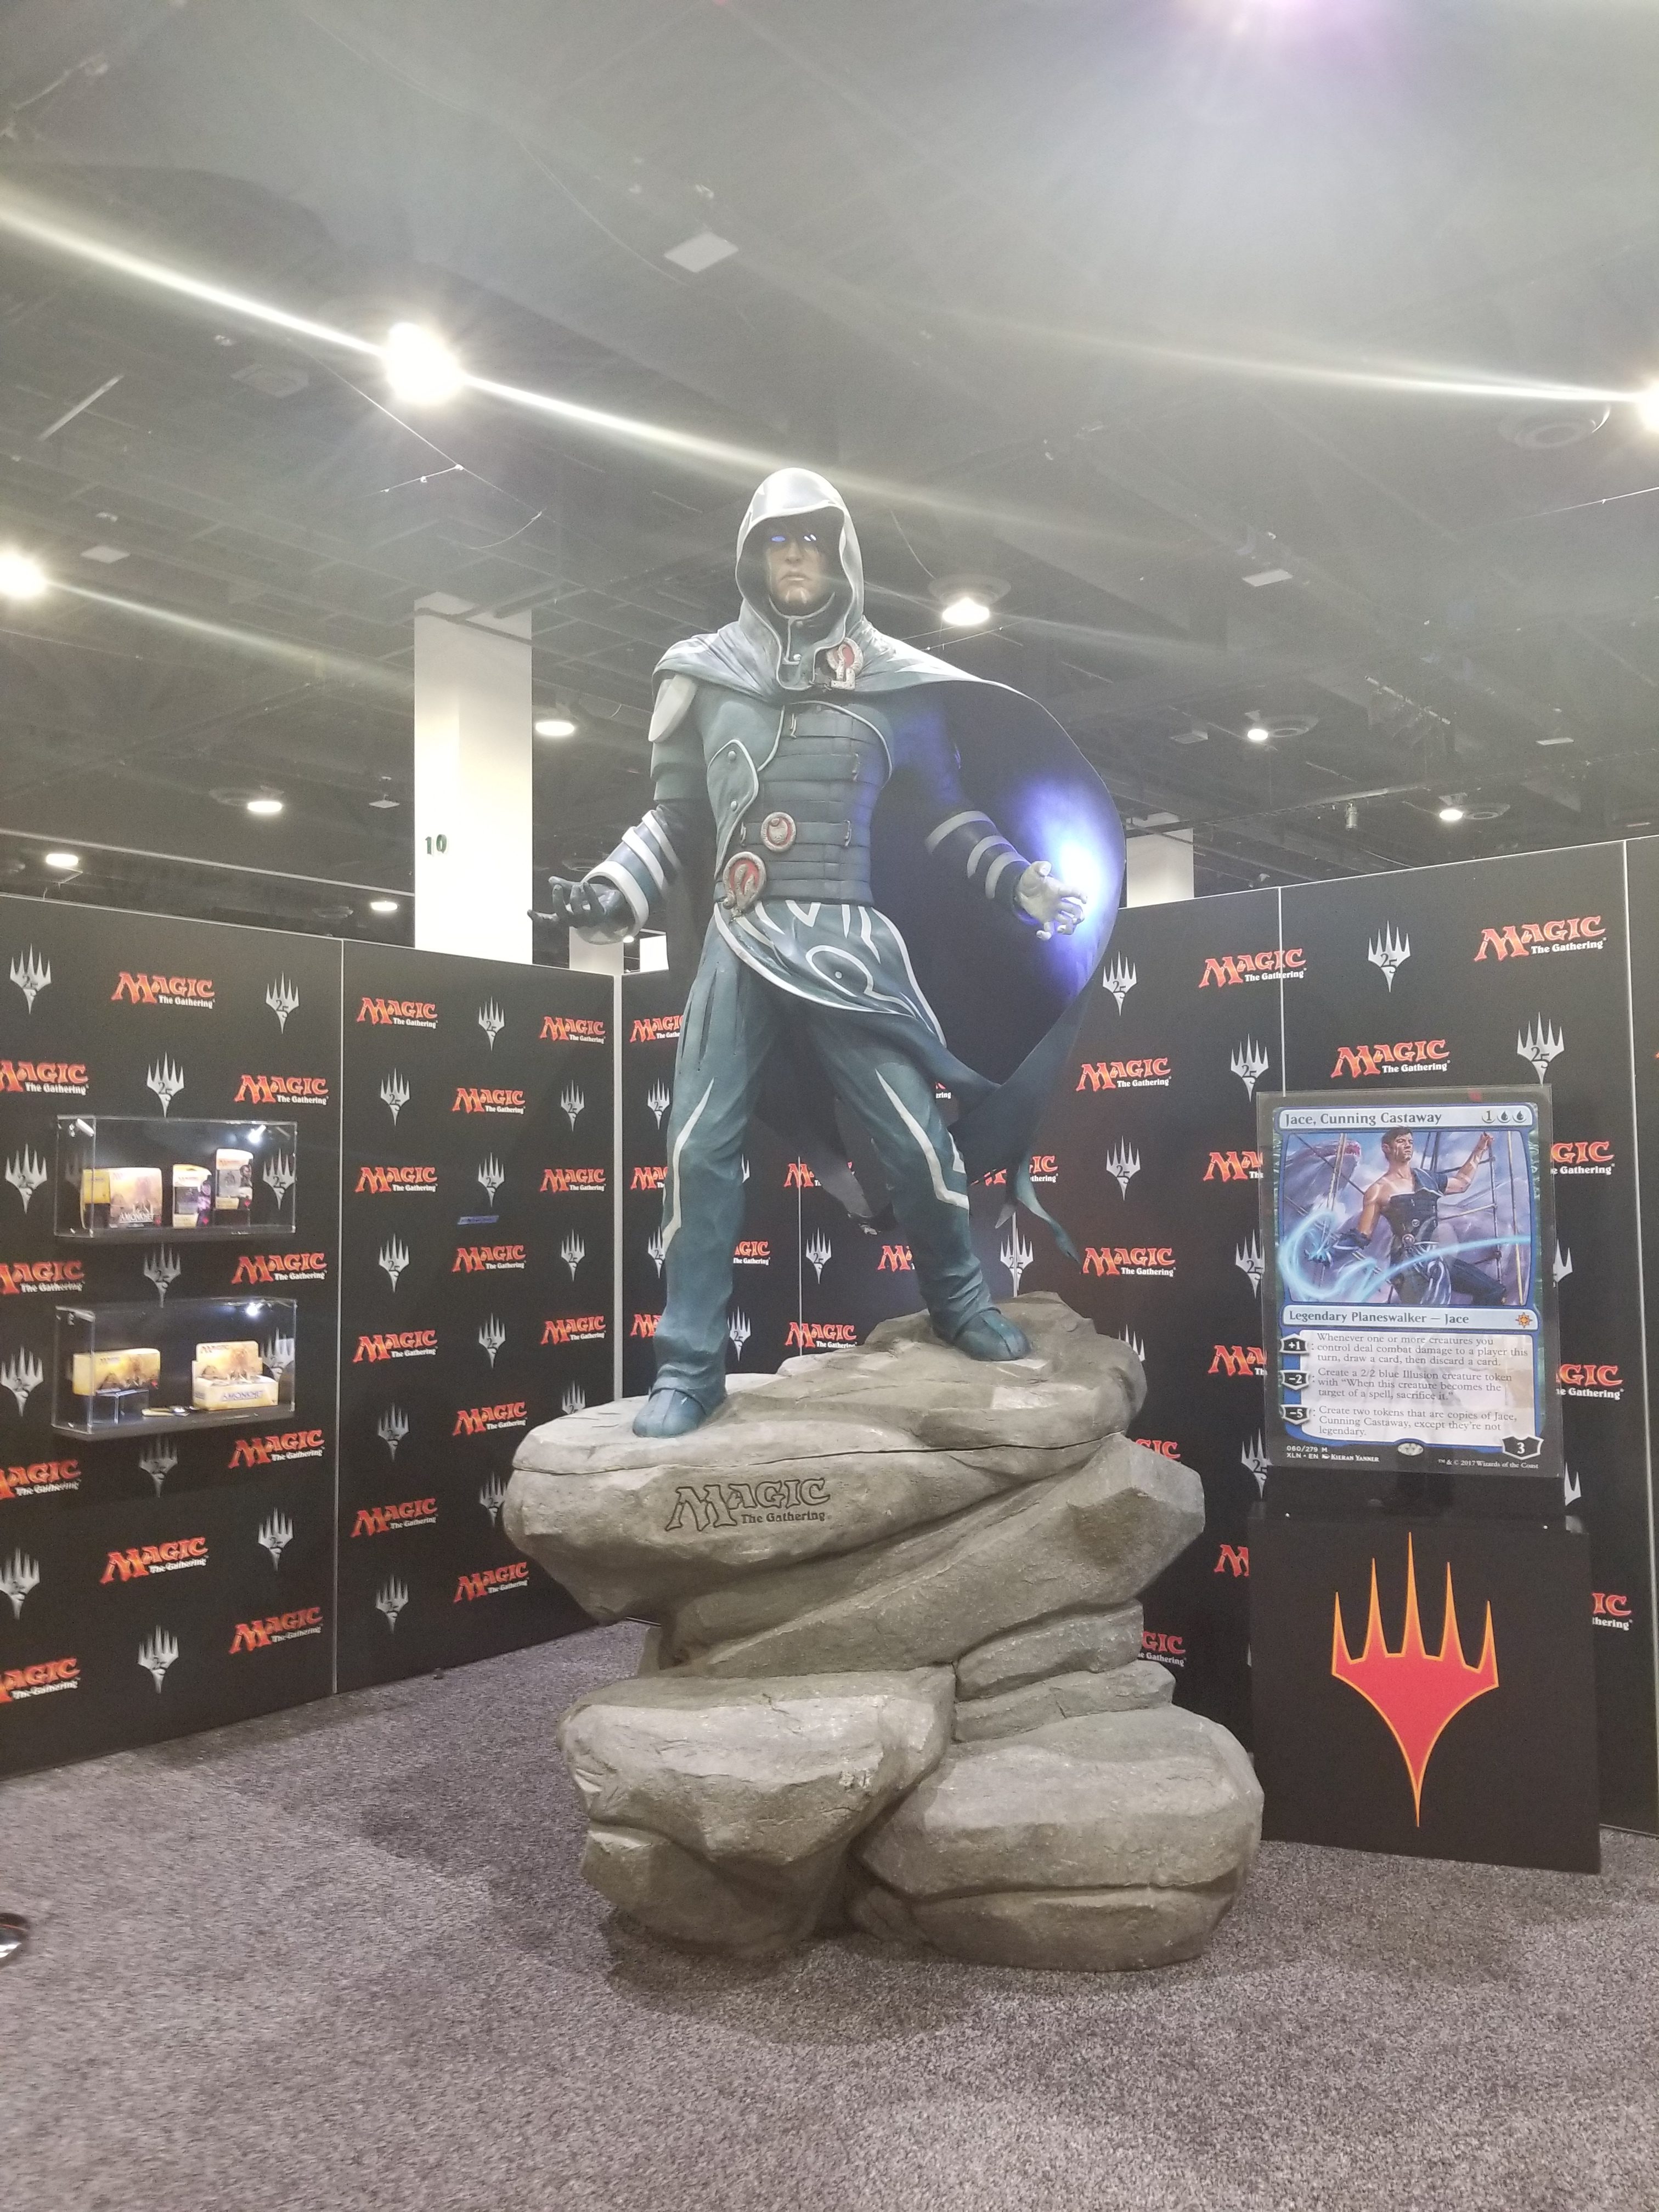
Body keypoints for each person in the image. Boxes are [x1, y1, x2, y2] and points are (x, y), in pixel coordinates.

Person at [544, 467, 1109, 1437]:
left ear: (840, 552)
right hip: (740, 940)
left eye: (810, 537)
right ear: (751, 556)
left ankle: (959, 1302)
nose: (794, 554)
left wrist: (1020, 882)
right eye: (777, 539)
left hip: (848, 943)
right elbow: (676, 817)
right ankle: (690, 1366)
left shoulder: (896, 684)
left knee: (916, 1146)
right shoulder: (705, 674)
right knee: (699, 1150)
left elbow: (944, 817)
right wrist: (613, 889)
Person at [1340, 1127, 1504, 1306]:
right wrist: (1332, 1252)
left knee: (1493, 1291)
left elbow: (1461, 1183)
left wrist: (1480, 1149)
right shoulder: (1378, 1190)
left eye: (1410, 1142)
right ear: (1387, 1148)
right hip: (1408, 1264)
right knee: (1425, 1312)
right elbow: (1363, 1235)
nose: (1408, 1145)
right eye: (1401, 1141)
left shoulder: (1426, 1179)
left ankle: (1471, 1325)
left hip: (1434, 1258)